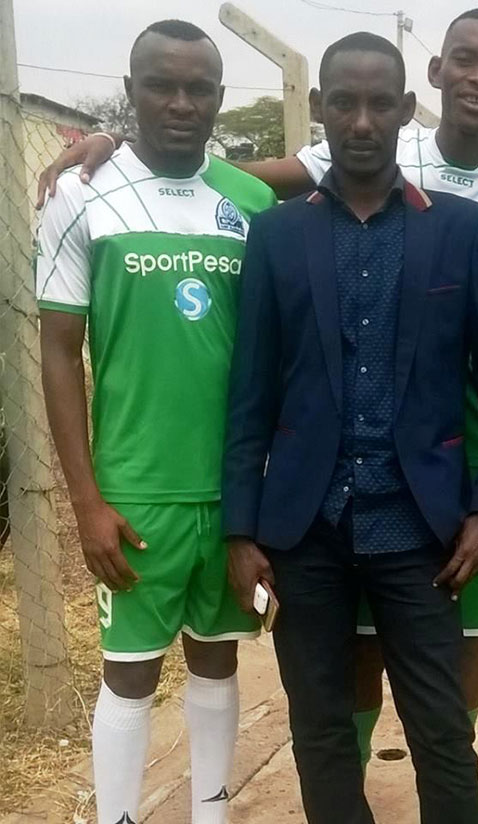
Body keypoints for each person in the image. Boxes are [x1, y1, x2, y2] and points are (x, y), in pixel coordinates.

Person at [35, 7, 478, 768]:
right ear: (434, 78)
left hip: (471, 455)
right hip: (364, 457)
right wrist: (123, 151)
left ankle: (449, 769)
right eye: (463, 59)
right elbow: (230, 179)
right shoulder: (375, 139)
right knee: (358, 649)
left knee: (461, 638)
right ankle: (360, 776)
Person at [222, 31, 478, 824]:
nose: (362, 120)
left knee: (440, 733)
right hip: (303, 534)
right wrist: (240, 531)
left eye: (379, 103)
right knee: (320, 730)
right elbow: (250, 395)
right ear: (321, 110)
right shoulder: (279, 234)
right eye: (344, 103)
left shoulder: (462, 231)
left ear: (404, 108)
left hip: (421, 533)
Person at [36, 20, 275, 824]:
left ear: (218, 99)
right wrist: (87, 502)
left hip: (234, 493)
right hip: (136, 494)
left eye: (199, 88)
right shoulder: (79, 195)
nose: (181, 103)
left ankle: (211, 814)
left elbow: (342, 166)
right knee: (131, 672)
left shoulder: (250, 199)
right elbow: (60, 352)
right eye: (161, 85)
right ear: (131, 89)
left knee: (216, 663)